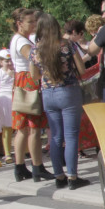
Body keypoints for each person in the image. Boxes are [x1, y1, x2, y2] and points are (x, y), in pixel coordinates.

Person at [31, 13, 89, 190]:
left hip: (48, 93)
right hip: (68, 91)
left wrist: (48, 76)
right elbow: (81, 69)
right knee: (71, 136)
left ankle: (59, 176)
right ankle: (72, 176)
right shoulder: (67, 45)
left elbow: (34, 76)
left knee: (56, 136)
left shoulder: (36, 49)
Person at [9, 8, 54, 182]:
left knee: (22, 128)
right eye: (30, 22)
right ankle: (37, 166)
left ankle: (20, 167)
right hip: (28, 81)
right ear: (19, 24)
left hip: (21, 81)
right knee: (34, 127)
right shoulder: (22, 41)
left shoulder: (18, 39)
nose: (34, 25)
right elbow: (34, 58)